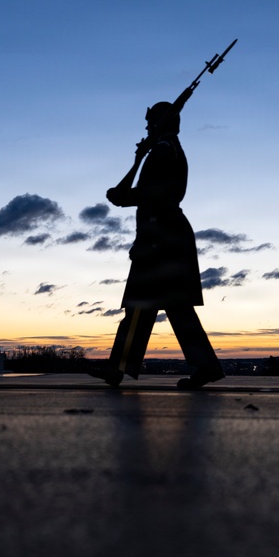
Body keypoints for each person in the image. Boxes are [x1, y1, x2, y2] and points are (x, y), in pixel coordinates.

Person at [93, 101, 224, 390]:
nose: (146, 127)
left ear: (160, 124)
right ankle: (206, 366)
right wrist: (138, 160)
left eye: (150, 123)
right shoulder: (167, 149)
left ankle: (117, 368)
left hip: (159, 239)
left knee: (141, 305)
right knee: (176, 308)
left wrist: (129, 187)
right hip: (169, 236)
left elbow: (143, 195)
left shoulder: (164, 151)